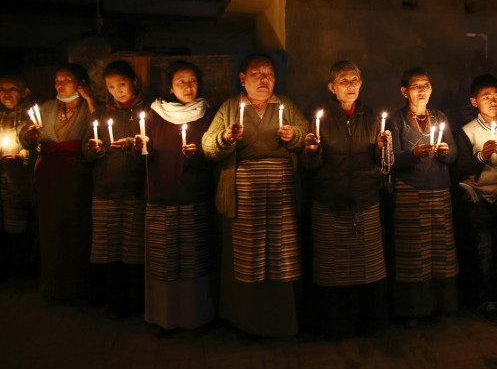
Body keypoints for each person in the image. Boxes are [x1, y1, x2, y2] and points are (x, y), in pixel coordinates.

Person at [202, 53, 308, 337]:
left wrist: (294, 136)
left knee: (281, 258)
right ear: (242, 78)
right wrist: (225, 138)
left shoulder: (285, 105)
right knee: (247, 259)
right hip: (245, 196)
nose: (264, 79)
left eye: (270, 74)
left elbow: (308, 136)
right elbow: (208, 147)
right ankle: (246, 321)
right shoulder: (229, 108)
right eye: (257, 73)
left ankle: (282, 320)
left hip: (280, 197)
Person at [300, 60, 389, 337]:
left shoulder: (371, 116)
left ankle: (368, 325)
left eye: (354, 80)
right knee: (332, 270)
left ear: (361, 84)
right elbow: (310, 165)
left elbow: (379, 161)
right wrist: (312, 150)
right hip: (330, 202)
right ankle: (334, 327)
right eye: (343, 81)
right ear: (332, 87)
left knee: (367, 269)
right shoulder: (320, 116)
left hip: (364, 201)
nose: (350, 85)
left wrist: (381, 148)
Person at [138, 60, 216, 331]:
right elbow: (143, 145)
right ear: (170, 87)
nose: (188, 86)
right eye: (181, 81)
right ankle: (165, 318)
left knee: (194, 261)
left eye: (192, 80)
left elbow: (216, 152)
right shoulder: (154, 114)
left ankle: (194, 317)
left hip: (195, 196)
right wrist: (140, 145)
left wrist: (200, 154)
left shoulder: (207, 113)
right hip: (162, 196)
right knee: (164, 260)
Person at [387, 67, 459, 325]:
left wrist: (445, 151)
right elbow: (390, 158)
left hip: (439, 190)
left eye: (426, 85)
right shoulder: (395, 119)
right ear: (404, 91)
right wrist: (413, 155)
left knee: (440, 252)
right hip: (409, 192)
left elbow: (453, 155)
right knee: (412, 253)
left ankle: (441, 307)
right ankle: (412, 311)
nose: (421, 90)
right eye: (415, 86)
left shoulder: (439, 116)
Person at [20, 63, 97, 301]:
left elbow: (97, 132)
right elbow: (27, 136)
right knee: (50, 231)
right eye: (57, 80)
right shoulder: (47, 107)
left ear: (81, 84)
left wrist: (91, 102)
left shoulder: (89, 108)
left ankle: (77, 289)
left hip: (76, 177)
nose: (60, 84)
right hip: (49, 177)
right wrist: (30, 136)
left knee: (75, 230)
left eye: (67, 79)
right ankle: (53, 287)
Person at [83, 60, 148, 317]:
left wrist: (138, 144)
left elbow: (154, 148)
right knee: (107, 247)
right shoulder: (101, 114)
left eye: (122, 83)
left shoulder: (148, 111)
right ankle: (113, 302)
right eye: (111, 86)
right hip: (105, 191)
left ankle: (135, 303)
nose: (117, 90)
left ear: (133, 81)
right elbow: (85, 151)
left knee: (133, 250)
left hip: (135, 190)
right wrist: (93, 149)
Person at [456, 73, 497, 326]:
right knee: (483, 250)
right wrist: (481, 157)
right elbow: (460, 168)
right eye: (486, 97)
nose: (493, 101)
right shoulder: (467, 131)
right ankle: (486, 300)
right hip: (480, 200)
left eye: (496, 96)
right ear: (474, 101)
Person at [0, 71, 36, 278]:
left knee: (19, 223)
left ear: (24, 92)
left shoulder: (29, 116)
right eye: (1, 90)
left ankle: (23, 268)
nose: (6, 94)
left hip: (19, 178)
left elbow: (32, 143)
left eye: (11, 89)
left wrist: (21, 156)